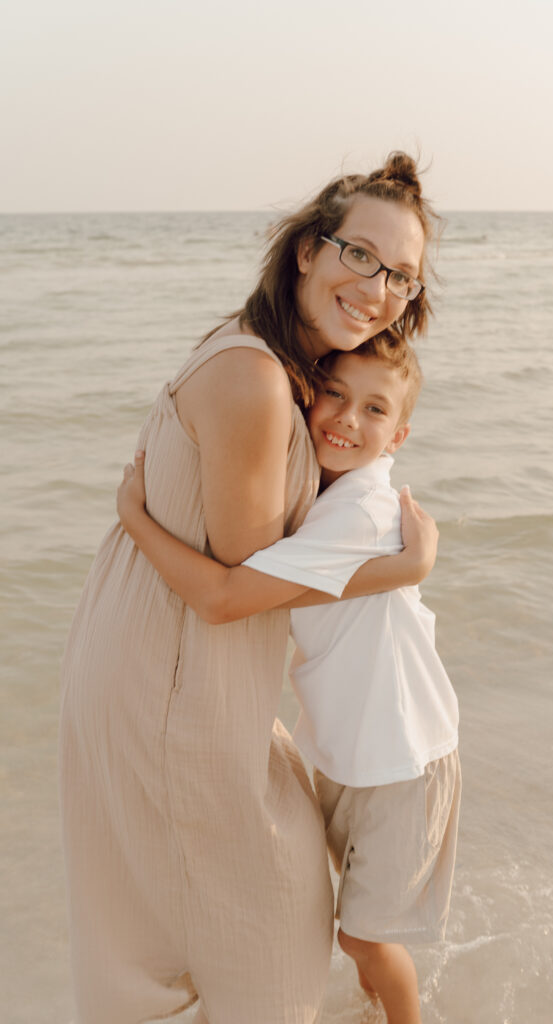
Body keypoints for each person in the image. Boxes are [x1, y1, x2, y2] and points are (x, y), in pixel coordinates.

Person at [60, 152, 440, 1024]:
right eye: (360, 256)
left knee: (185, 928)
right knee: (270, 933)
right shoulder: (258, 377)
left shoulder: (292, 371)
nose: (377, 288)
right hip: (171, 669)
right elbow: (235, 581)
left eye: (402, 278)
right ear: (308, 249)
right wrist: (403, 569)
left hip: (179, 659)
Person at [116, 336, 461, 1024]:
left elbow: (220, 598)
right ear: (304, 396)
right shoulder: (318, 504)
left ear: (398, 433)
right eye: (333, 394)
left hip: (402, 761)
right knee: (349, 922)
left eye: (373, 408)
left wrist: (134, 518)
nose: (346, 419)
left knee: (362, 934)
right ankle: (373, 1007)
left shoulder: (359, 512)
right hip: (348, 753)